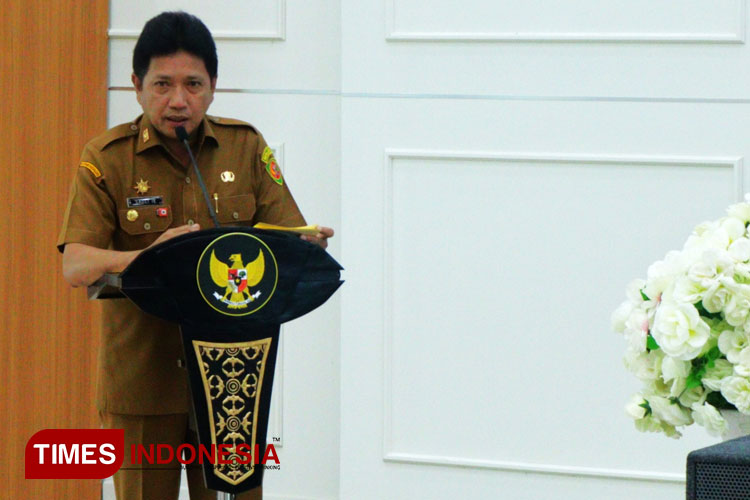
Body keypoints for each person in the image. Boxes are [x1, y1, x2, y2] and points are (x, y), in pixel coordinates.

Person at [57, 11, 333, 500]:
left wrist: (303, 247)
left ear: (213, 87)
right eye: (162, 84)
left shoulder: (244, 148)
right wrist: (147, 257)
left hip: (232, 382)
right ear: (136, 86)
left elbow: (285, 234)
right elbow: (75, 264)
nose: (178, 101)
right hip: (143, 382)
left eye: (193, 84)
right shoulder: (106, 158)